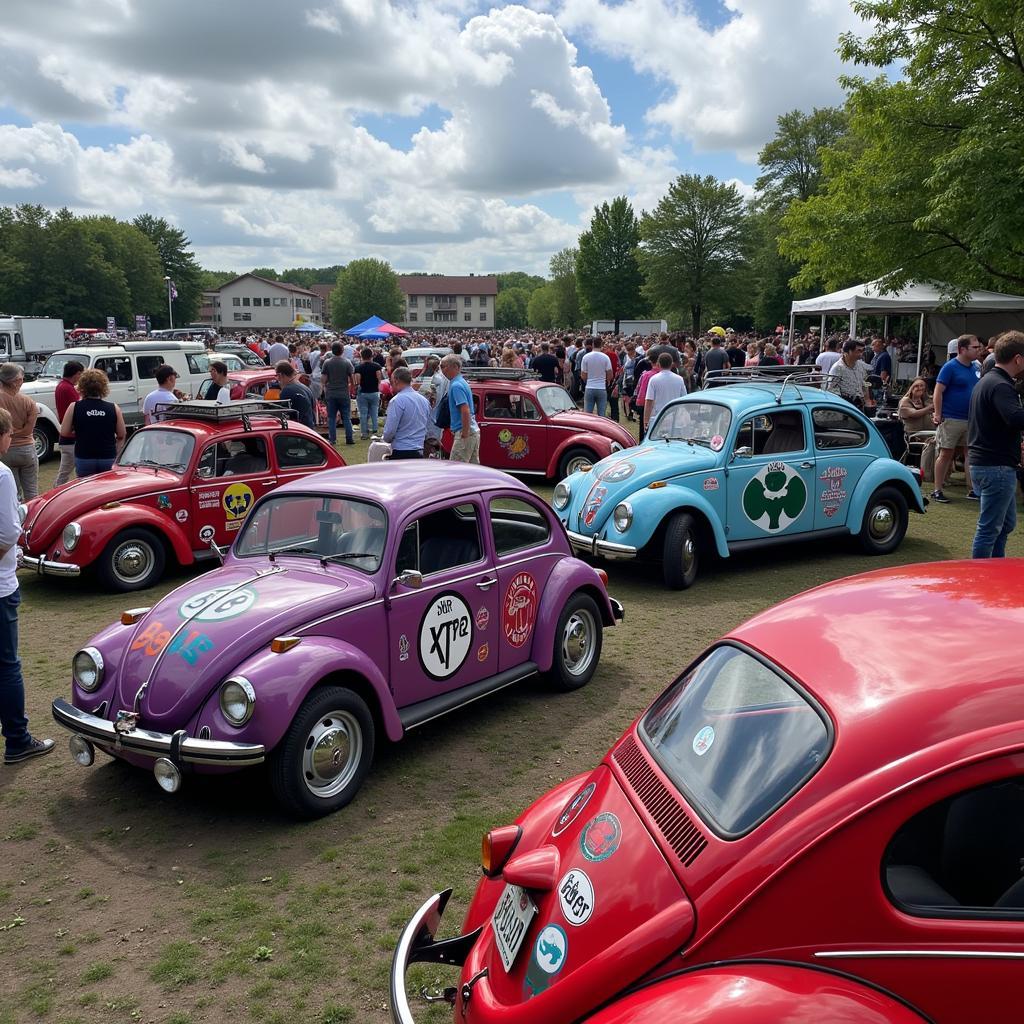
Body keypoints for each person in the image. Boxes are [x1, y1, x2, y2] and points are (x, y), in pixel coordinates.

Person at [0, 407, 53, 766]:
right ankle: (17, 739)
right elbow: (7, 532)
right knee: (7, 666)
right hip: (0, 588)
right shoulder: (2, 474)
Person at [967, 331, 1024, 558]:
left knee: (1005, 524)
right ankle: (980, 578)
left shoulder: (987, 381)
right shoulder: (1001, 385)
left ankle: (995, 567)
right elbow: (1015, 418)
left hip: (987, 464)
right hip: (996, 467)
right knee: (989, 528)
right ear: (1018, 359)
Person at [931, 334, 984, 503]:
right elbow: (938, 391)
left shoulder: (976, 367)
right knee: (946, 453)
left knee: (971, 454)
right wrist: (938, 414)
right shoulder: (950, 367)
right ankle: (937, 489)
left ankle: (972, 489)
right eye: (975, 347)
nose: (979, 350)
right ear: (962, 349)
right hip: (951, 418)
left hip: (971, 419)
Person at [61, 368, 125, 477]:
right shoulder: (114, 408)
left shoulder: (74, 407)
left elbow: (64, 432)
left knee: (87, 490)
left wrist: (80, 433)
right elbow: (121, 434)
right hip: (108, 456)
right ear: (103, 387)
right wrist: (116, 452)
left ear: (82, 386)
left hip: (84, 456)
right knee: (107, 490)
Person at [0, 364, 38, 501]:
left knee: (13, 494)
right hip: (27, 449)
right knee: (32, 492)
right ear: (17, 380)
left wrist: (9, 434)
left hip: (6, 450)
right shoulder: (29, 402)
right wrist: (19, 432)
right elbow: (29, 430)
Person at [382, 368, 431, 459]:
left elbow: (390, 430)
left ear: (396, 381)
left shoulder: (397, 401)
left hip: (402, 449)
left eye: (391, 382)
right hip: (420, 448)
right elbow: (428, 425)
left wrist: (384, 439)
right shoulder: (424, 400)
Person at [441, 354, 479, 463]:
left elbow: (465, 409)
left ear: (455, 367)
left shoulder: (456, 385)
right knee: (472, 468)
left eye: (444, 366)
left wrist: (464, 434)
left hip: (464, 430)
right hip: (472, 430)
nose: (442, 370)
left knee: (457, 468)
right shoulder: (461, 382)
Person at [53, 360, 84, 488]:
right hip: (71, 437)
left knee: (65, 472)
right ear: (76, 374)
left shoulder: (62, 386)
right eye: (80, 374)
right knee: (67, 473)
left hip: (67, 435)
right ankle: (56, 492)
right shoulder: (68, 389)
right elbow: (79, 408)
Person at [321, 343, 355, 445]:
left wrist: (323, 389)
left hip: (331, 393)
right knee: (346, 417)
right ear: (342, 350)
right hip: (344, 393)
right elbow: (352, 379)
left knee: (331, 417)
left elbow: (323, 379)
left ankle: (332, 439)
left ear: (332, 350)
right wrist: (352, 388)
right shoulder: (347, 362)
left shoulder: (327, 362)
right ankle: (349, 438)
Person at [827, 340, 874, 409]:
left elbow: (865, 383)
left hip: (859, 404)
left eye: (862, 351)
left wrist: (867, 400)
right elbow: (831, 389)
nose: (861, 354)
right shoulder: (838, 368)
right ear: (848, 352)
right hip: (845, 405)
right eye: (858, 351)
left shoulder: (861, 365)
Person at [644, 353, 687, 426]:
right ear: (671, 364)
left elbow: (649, 401)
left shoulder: (653, 379)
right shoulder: (679, 379)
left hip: (658, 418)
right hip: (675, 418)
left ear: (659, 364)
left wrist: (646, 420)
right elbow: (684, 398)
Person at [275, 361, 315, 429]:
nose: (277, 379)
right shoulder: (305, 388)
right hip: (309, 428)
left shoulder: (287, 391)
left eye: (277, 376)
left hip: (297, 429)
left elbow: (283, 415)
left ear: (281, 375)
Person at [353, 347, 383, 439]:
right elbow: (379, 379)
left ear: (361, 356)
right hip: (374, 392)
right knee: (374, 412)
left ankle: (364, 433)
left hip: (363, 393)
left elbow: (357, 381)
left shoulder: (358, 368)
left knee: (363, 413)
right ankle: (375, 430)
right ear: (372, 355)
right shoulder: (377, 366)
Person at [581, 337, 612, 417]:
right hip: (601, 387)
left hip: (590, 386)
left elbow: (583, 376)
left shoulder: (586, 357)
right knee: (602, 415)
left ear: (592, 344)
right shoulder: (605, 357)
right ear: (601, 345)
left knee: (588, 415)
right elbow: (610, 375)